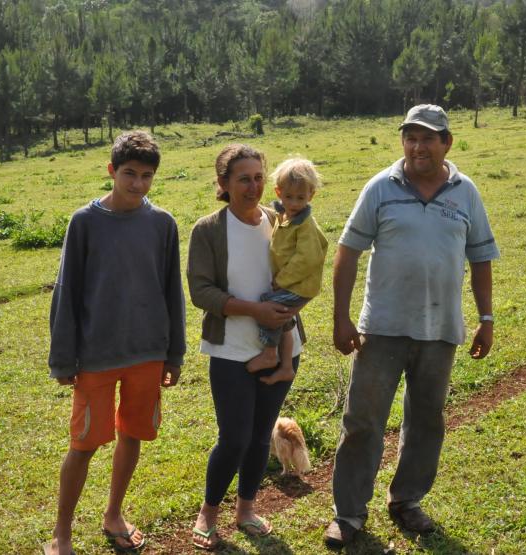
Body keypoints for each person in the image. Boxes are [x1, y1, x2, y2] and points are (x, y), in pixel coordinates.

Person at [324, 104, 499, 548]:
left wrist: (486, 319)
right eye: (410, 137)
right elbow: (347, 253)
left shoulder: (466, 193)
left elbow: (480, 258)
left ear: (447, 143)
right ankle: (348, 514)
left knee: (426, 420)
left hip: (440, 330)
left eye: (428, 138)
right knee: (363, 420)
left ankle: (406, 500)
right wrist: (341, 318)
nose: (418, 146)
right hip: (381, 329)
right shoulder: (381, 188)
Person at [44, 130, 185, 555]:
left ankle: (114, 514)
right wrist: (63, 358)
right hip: (96, 356)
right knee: (84, 445)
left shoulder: (162, 223)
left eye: (146, 176)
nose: (137, 184)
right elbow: (66, 291)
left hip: (148, 353)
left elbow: (171, 290)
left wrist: (173, 353)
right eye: (129, 174)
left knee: (133, 435)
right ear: (111, 171)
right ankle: (62, 534)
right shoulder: (84, 222)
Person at [187, 144, 305, 550]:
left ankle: (247, 509)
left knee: (259, 437)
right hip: (230, 350)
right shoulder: (208, 230)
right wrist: (254, 309)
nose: (253, 186)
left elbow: (300, 269)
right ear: (223, 183)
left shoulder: (278, 221)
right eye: (243, 179)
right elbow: (201, 291)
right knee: (234, 436)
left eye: (258, 177)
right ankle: (209, 512)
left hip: (283, 345)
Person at [246, 157, 329, 381]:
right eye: (289, 197)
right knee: (285, 319)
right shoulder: (285, 217)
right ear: (278, 192)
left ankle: (270, 354)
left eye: (300, 198)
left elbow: (308, 257)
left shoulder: (303, 224)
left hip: (299, 285)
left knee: (269, 306)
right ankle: (286, 367)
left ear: (311, 195)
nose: (294, 203)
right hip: (296, 282)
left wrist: (282, 280)